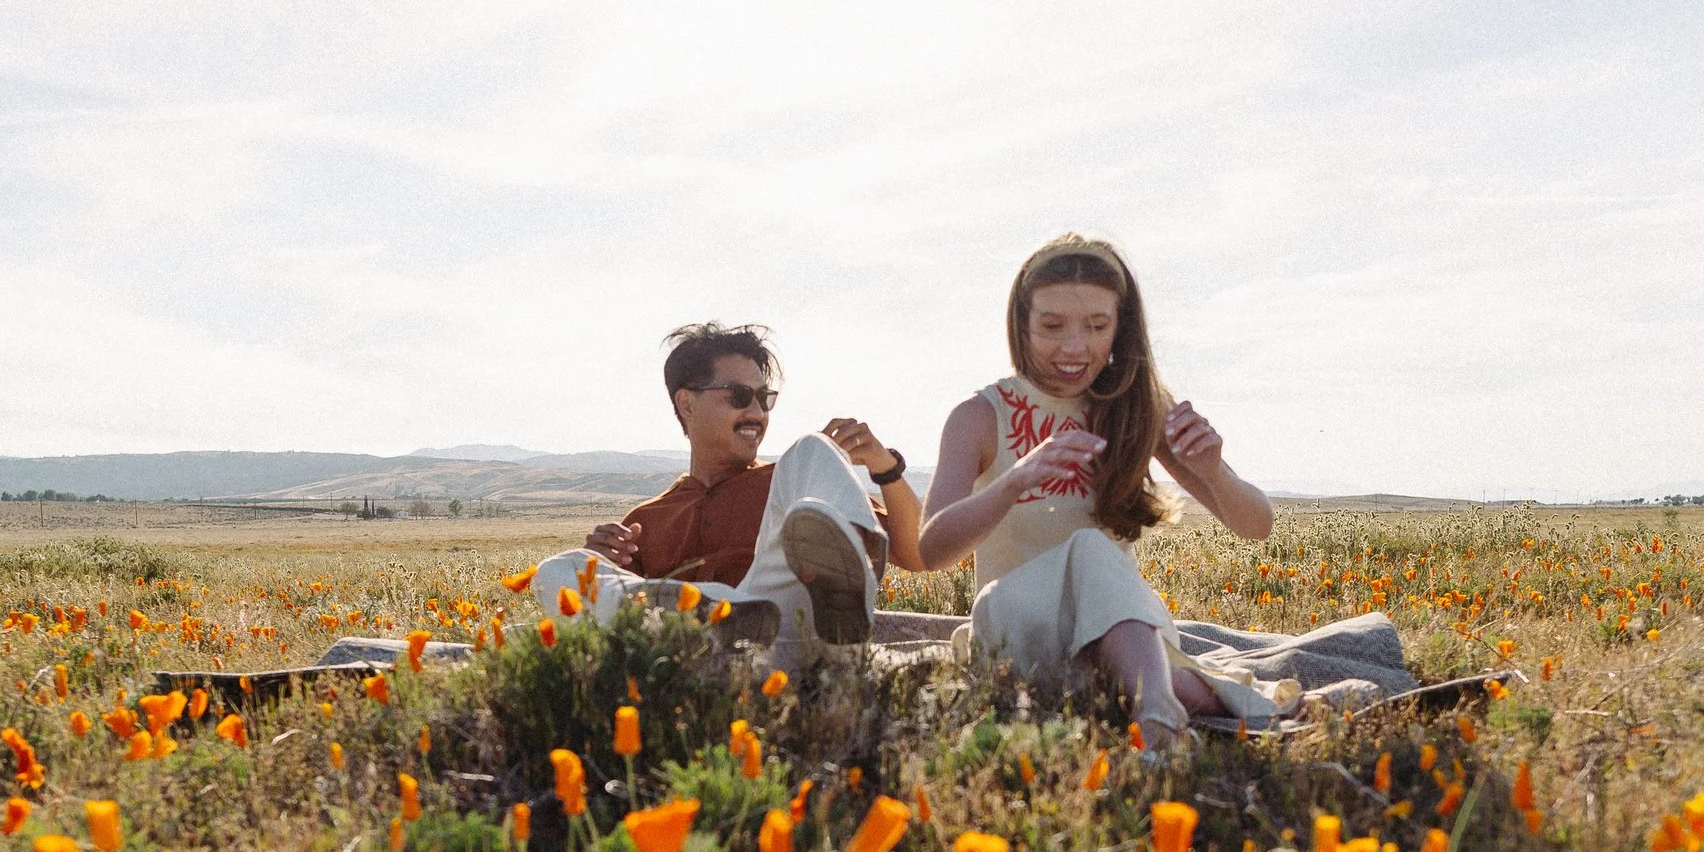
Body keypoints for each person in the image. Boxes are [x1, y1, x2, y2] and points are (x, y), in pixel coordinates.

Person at [914, 234, 1291, 740]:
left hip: (1120, 631)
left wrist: (1215, 469)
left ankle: (1155, 702)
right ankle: (1165, 707)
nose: (1075, 348)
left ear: (1122, 328)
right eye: (1052, 326)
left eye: (1097, 326)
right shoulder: (980, 416)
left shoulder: (1135, 407)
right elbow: (932, 547)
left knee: (1120, 623)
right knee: (1090, 549)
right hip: (1012, 632)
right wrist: (1014, 481)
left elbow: (1256, 525)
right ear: (1021, 324)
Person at [530, 323, 921, 659]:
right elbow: (616, 603)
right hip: (686, 653)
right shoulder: (646, 520)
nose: (757, 412)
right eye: (739, 396)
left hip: (781, 629)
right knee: (556, 569)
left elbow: (917, 555)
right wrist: (598, 563)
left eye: (764, 399)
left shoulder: (788, 481)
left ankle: (837, 610)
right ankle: (707, 613)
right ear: (686, 403)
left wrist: (885, 468)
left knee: (813, 447)